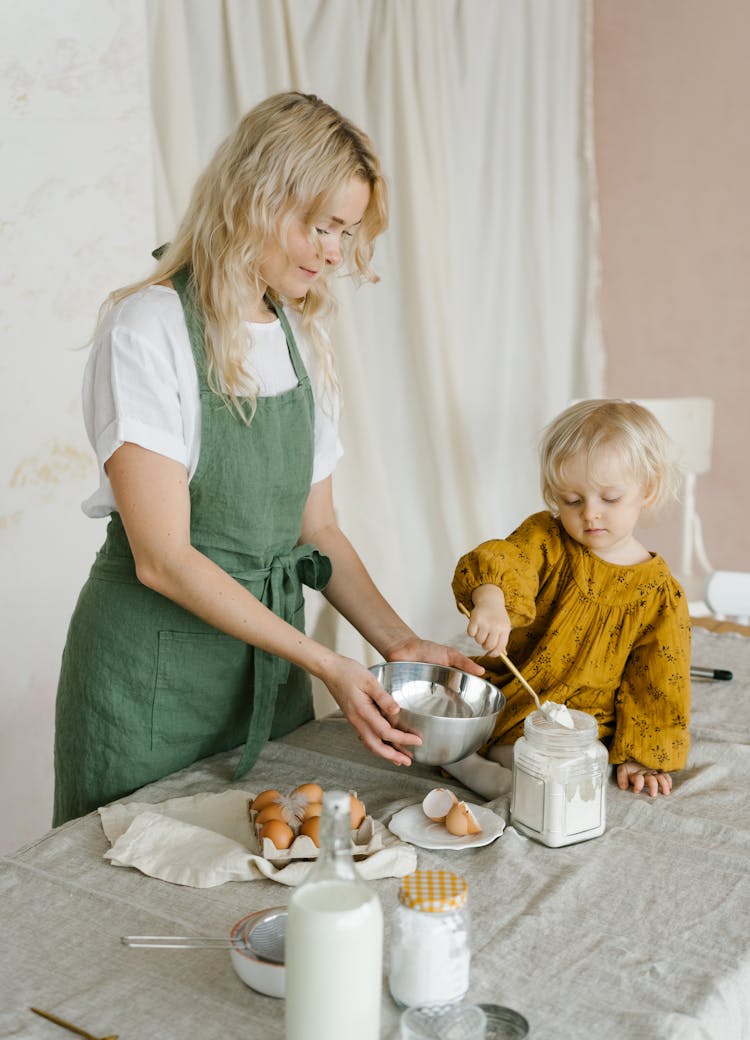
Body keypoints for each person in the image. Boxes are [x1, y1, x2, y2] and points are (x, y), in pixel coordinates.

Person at [53, 91, 481, 826]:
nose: (334, 253)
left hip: (265, 681)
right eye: (321, 226)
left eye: (346, 233)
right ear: (256, 199)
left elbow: (316, 530)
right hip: (148, 688)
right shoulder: (148, 330)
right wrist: (327, 662)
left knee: (272, 872)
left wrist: (397, 643)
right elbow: (163, 558)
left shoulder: (300, 339)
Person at [449, 399, 690, 800]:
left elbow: (659, 680)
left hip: (584, 716)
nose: (590, 514)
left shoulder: (659, 593)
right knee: (451, 710)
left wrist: (642, 756)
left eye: (609, 498)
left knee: (575, 764)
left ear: (646, 491)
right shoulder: (548, 539)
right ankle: (468, 763)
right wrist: (491, 599)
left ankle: (479, 765)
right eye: (572, 501)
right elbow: (508, 561)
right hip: (519, 688)